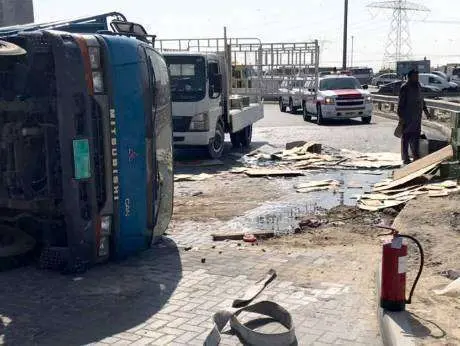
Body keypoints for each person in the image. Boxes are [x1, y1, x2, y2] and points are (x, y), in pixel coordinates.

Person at [397, 69, 431, 164]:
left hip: (417, 117)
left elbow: (422, 100)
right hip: (407, 117)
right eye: (415, 76)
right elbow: (400, 103)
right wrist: (401, 117)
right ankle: (405, 157)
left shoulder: (418, 86)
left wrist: (426, 112)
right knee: (406, 137)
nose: (417, 78)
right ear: (409, 77)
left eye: (417, 76)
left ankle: (415, 155)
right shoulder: (405, 87)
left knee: (416, 137)